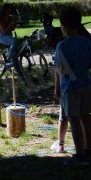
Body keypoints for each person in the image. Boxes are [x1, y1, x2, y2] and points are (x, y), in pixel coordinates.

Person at [54, 6, 91, 166]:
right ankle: (89, 149)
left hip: (70, 88)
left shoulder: (62, 46)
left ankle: (80, 155)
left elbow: (60, 70)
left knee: (74, 120)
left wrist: (57, 88)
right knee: (86, 118)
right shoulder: (86, 42)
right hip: (86, 84)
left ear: (64, 26)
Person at [0, 3, 16, 69]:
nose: (9, 11)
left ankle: (11, 65)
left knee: (15, 48)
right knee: (14, 41)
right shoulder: (0, 20)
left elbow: (12, 29)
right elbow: (4, 32)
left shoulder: (9, 17)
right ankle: (8, 60)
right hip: (3, 37)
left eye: (10, 10)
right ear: (4, 10)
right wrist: (10, 25)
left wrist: (14, 24)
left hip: (9, 36)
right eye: (8, 10)